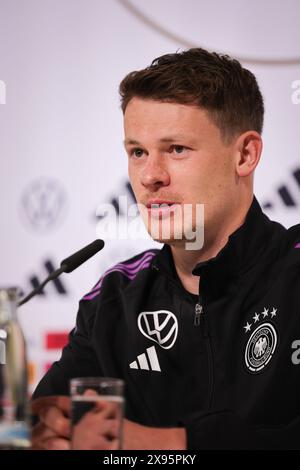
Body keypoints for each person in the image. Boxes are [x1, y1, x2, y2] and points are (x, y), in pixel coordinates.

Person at [31, 48, 300, 450]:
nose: (149, 176)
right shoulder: (114, 298)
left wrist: (171, 444)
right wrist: (47, 432)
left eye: (176, 149)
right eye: (137, 152)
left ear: (245, 155)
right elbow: (49, 424)